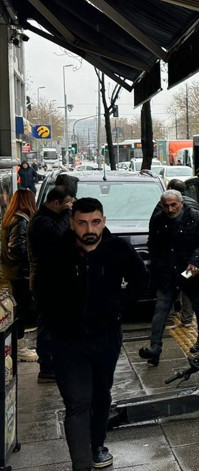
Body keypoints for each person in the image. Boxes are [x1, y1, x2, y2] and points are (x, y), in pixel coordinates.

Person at [46, 197, 147, 470]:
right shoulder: (57, 251)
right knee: (78, 402)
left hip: (106, 338)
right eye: (82, 223)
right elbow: (42, 288)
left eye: (95, 222)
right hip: (68, 341)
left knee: (101, 394)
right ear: (72, 223)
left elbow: (141, 280)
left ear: (103, 221)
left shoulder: (118, 249)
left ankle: (96, 444)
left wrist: (120, 307)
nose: (89, 228)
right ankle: (82, 465)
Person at [140, 190, 199, 365]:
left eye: (173, 205)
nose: (170, 209)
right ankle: (155, 349)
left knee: (197, 303)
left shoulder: (195, 217)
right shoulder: (159, 220)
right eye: (166, 205)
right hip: (167, 271)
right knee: (161, 307)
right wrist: (158, 266)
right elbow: (153, 245)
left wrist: (195, 261)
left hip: (189, 269)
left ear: (181, 203)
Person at [28, 185, 74, 383]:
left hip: (54, 279)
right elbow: (57, 235)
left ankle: (53, 363)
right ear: (56, 203)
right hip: (47, 281)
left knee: (55, 323)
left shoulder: (48, 218)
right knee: (48, 323)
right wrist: (67, 214)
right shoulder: (42, 221)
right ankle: (47, 366)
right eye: (66, 205)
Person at [0, 189, 38, 362]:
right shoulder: (21, 220)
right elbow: (17, 248)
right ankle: (19, 348)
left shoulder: (11, 218)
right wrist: (29, 267)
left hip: (11, 272)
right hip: (18, 274)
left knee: (16, 311)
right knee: (20, 311)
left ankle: (17, 346)